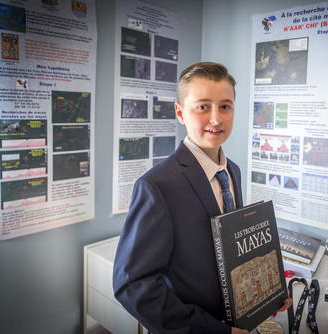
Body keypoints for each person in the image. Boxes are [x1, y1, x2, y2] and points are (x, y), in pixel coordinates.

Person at [113, 62, 290, 334]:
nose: (216, 119)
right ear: (180, 112)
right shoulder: (157, 186)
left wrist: (264, 296)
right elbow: (134, 286)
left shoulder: (233, 171)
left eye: (225, 106)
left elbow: (232, 251)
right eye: (203, 106)